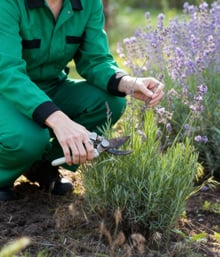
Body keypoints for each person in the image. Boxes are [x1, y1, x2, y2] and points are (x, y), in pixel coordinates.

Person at [0, 0, 165, 201]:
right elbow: (7, 72)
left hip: (50, 86)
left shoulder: (88, 3)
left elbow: (96, 59)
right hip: (6, 91)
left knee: (109, 104)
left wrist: (128, 82)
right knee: (29, 139)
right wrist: (59, 121)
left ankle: (42, 165)